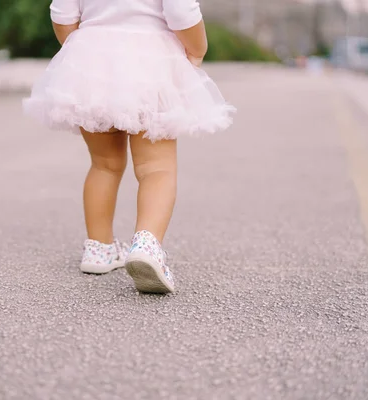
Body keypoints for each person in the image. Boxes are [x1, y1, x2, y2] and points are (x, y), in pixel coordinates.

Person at [23, 0, 235, 294]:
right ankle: (146, 245)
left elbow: (62, 13)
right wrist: (197, 49)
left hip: (91, 62)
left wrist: (81, 52)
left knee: (103, 164)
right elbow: (181, 11)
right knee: (156, 169)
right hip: (150, 61)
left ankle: (99, 248)